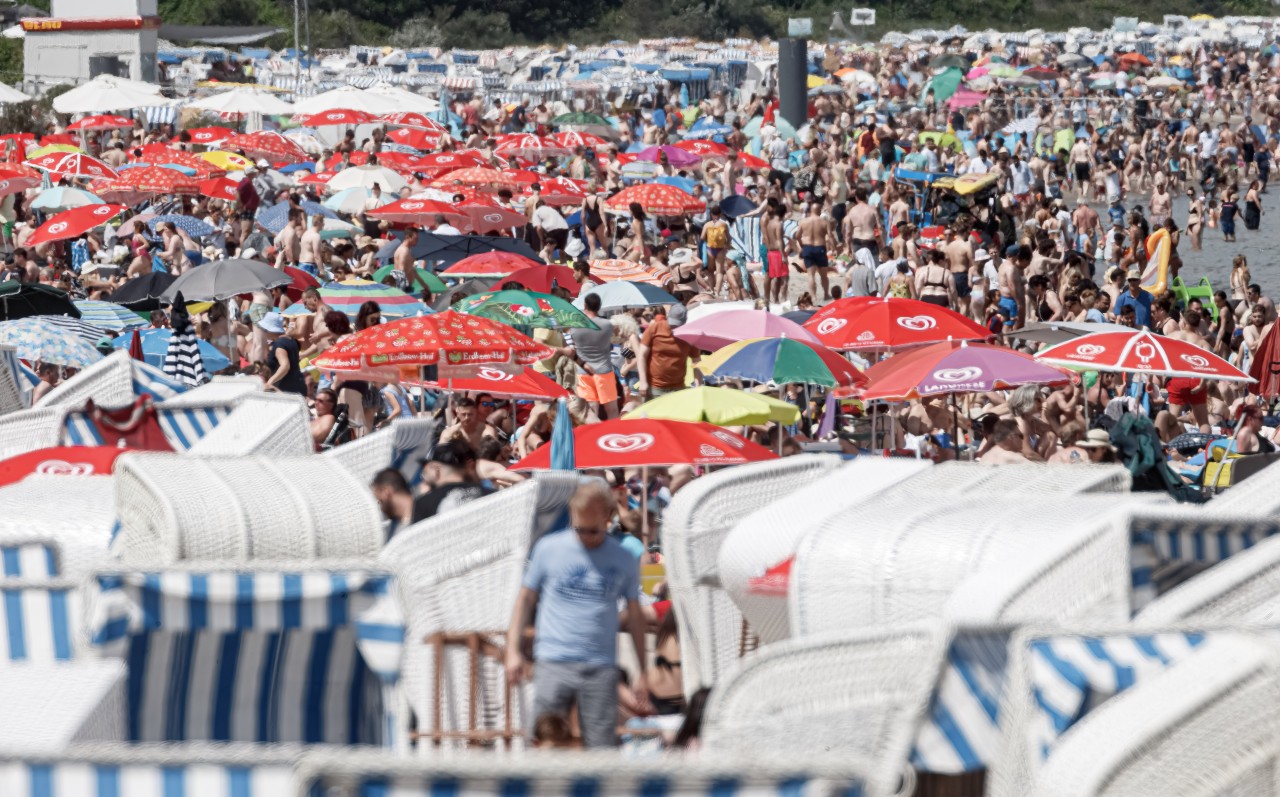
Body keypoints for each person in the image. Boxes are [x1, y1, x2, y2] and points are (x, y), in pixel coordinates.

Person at [505, 479, 651, 749]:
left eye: (593, 531)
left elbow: (636, 617)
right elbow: (525, 599)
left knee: (601, 749)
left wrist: (642, 670)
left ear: (609, 518)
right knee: (541, 743)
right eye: (579, 529)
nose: (585, 537)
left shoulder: (623, 558)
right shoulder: (549, 549)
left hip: (601, 666)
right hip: (553, 661)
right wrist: (512, 650)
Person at [411, 437, 493, 522]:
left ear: (436, 469)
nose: (423, 477)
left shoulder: (423, 506)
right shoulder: (491, 494)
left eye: (425, 471)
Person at [572, 292, 619, 418]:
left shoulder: (576, 327)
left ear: (584, 305)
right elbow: (611, 343)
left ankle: (592, 436)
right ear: (599, 306)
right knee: (612, 410)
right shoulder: (607, 325)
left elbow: (573, 347)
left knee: (590, 412)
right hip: (604, 371)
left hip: (583, 372)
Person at [637, 304, 698, 398]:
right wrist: (643, 381)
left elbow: (697, 362)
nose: (674, 327)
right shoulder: (655, 328)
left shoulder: (690, 334)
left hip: (678, 388)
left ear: (685, 322)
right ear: (668, 317)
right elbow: (641, 355)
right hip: (655, 387)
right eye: (672, 323)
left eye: (677, 325)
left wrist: (698, 386)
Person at [260, 312, 306, 396]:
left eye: (265, 329)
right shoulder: (291, 340)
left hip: (286, 389)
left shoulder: (279, 344)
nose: (264, 332)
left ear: (270, 329)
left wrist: (270, 382)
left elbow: (285, 366)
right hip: (297, 386)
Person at [370, 467, 414, 535]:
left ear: (385, 491)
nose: (381, 509)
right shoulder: (394, 530)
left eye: (379, 501)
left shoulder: (430, 511)